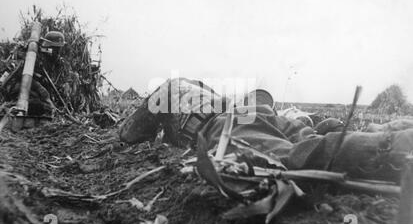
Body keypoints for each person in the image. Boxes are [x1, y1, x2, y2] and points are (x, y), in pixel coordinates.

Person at [119, 78, 413, 184]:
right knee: (309, 140)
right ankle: (393, 133)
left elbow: (128, 134)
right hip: (256, 113)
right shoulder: (199, 89)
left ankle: (399, 146)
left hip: (227, 125)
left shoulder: (169, 88)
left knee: (303, 156)